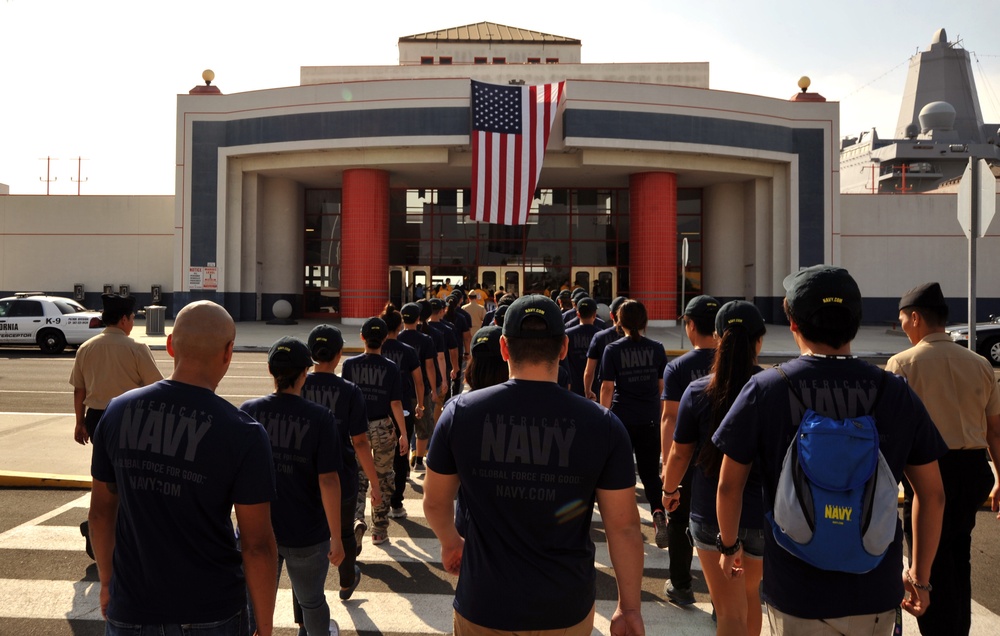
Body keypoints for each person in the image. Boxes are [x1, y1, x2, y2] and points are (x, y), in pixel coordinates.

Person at [713, 266, 947, 633]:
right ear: (856, 321)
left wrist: (728, 547)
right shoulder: (896, 392)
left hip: (796, 591)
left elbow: (729, 486)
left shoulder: (766, 389)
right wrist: (919, 576)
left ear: (792, 323)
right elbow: (932, 495)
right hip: (875, 589)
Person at [423, 295, 646, 635]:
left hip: (484, 604)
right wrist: (628, 607)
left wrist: (451, 543)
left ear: (504, 348)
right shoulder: (602, 425)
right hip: (564, 608)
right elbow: (625, 527)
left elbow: (435, 501)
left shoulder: (461, 413)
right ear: (563, 348)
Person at [88, 300, 278, 635]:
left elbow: (102, 514)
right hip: (211, 610)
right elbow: (257, 545)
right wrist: (264, 627)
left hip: (131, 607)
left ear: (171, 344)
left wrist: (107, 582)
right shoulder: (243, 432)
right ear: (228, 352)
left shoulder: (117, 412)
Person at [885, 282, 1000, 636]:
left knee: (926, 563)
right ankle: (956, 629)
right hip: (973, 470)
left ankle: (937, 628)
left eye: (902, 320)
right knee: (958, 555)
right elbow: (995, 431)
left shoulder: (902, 364)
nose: (902, 327)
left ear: (916, 318)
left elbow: (890, 431)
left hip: (927, 474)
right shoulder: (980, 363)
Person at [662, 301, 767, 636]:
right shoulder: (773, 387)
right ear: (759, 341)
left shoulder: (698, 391)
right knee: (751, 600)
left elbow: (679, 454)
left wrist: (669, 490)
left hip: (710, 516)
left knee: (727, 612)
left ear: (719, 339)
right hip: (761, 513)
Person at [240, 337, 344, 636]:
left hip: (257, 529)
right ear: (304, 374)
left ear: (271, 371)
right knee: (311, 602)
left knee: (255, 602)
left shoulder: (249, 411)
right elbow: (328, 479)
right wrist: (336, 537)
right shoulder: (319, 417)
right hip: (307, 532)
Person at [70, 293, 163, 557]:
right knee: (130, 479)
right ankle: (122, 532)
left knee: (103, 477)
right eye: (133, 318)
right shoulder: (136, 349)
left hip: (97, 419)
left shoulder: (86, 348)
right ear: (123, 319)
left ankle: (96, 527)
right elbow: (156, 388)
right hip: (130, 420)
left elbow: (79, 390)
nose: (133, 322)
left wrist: (79, 423)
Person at [302, 325, 380, 602]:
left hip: (304, 474)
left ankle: (307, 602)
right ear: (338, 355)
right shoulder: (349, 390)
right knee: (345, 530)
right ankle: (346, 582)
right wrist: (374, 482)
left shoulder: (298, 385)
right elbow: (359, 441)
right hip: (341, 472)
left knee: (309, 539)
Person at [658, 294, 720, 602]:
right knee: (723, 526)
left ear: (691, 325)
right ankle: (722, 598)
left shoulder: (678, 368)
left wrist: (667, 466)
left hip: (688, 459)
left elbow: (669, 418)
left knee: (679, 520)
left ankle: (681, 586)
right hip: (726, 462)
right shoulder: (734, 363)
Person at [599, 299, 668, 544]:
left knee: (621, 472)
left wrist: (603, 417)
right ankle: (658, 513)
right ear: (644, 321)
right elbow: (662, 388)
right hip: (649, 419)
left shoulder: (613, 350)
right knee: (650, 473)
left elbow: (607, 388)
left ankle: (626, 521)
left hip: (621, 420)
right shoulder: (657, 348)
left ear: (619, 322)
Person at [342, 317, 408, 546]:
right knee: (383, 476)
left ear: (362, 337)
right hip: (382, 427)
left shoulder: (350, 365)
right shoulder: (390, 367)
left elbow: (345, 401)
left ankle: (356, 519)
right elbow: (396, 404)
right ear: (384, 340)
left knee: (357, 476)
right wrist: (403, 434)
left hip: (356, 428)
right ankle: (379, 529)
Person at [379, 303, 424, 517]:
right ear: (399, 328)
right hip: (403, 409)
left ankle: (380, 501)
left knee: (379, 458)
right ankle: (396, 503)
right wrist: (420, 404)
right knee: (400, 458)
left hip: (378, 411)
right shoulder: (407, 351)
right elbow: (419, 381)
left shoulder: (376, 349)